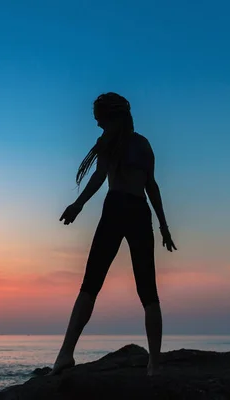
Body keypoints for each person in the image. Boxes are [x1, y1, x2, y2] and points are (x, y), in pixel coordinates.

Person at [51, 92, 177, 377]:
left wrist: (78, 204)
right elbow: (151, 187)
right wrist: (163, 226)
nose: (97, 125)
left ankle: (65, 355)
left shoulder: (110, 144)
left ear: (112, 117)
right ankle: (154, 365)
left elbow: (100, 177)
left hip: (117, 209)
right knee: (148, 291)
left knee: (91, 284)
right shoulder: (143, 144)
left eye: (100, 120)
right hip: (139, 212)